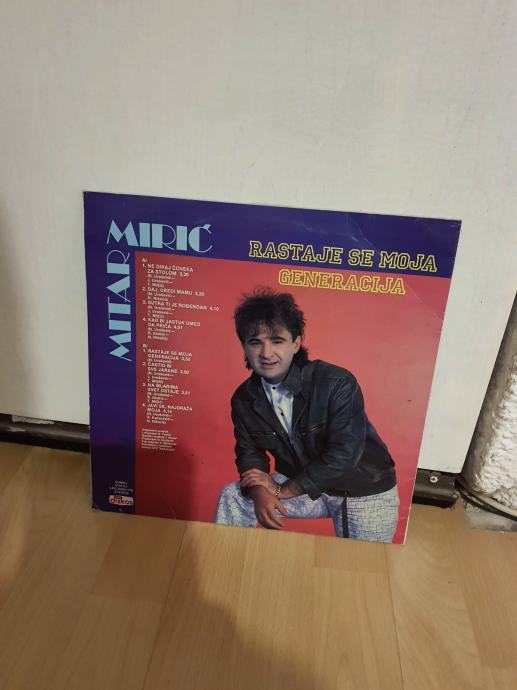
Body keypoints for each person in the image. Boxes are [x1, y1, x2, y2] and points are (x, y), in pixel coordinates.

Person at [214, 288, 399, 542]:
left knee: (363, 563)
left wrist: (281, 490)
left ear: (296, 343)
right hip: (303, 484)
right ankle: (225, 562)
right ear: (244, 347)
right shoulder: (244, 398)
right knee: (234, 496)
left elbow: (344, 455)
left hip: (362, 489)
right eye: (255, 342)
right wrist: (260, 490)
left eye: (277, 341)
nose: (266, 353)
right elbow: (249, 454)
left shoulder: (336, 382)